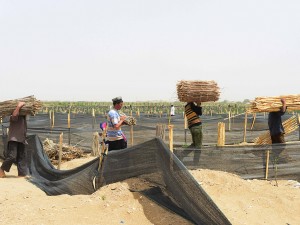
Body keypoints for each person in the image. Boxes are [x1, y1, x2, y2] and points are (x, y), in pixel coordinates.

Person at [0, 101, 28, 178]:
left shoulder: (23, 117)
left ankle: (21, 174)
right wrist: (18, 107)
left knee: (22, 156)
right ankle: (1, 169)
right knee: (12, 156)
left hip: (22, 139)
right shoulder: (13, 115)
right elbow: (14, 117)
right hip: (14, 139)